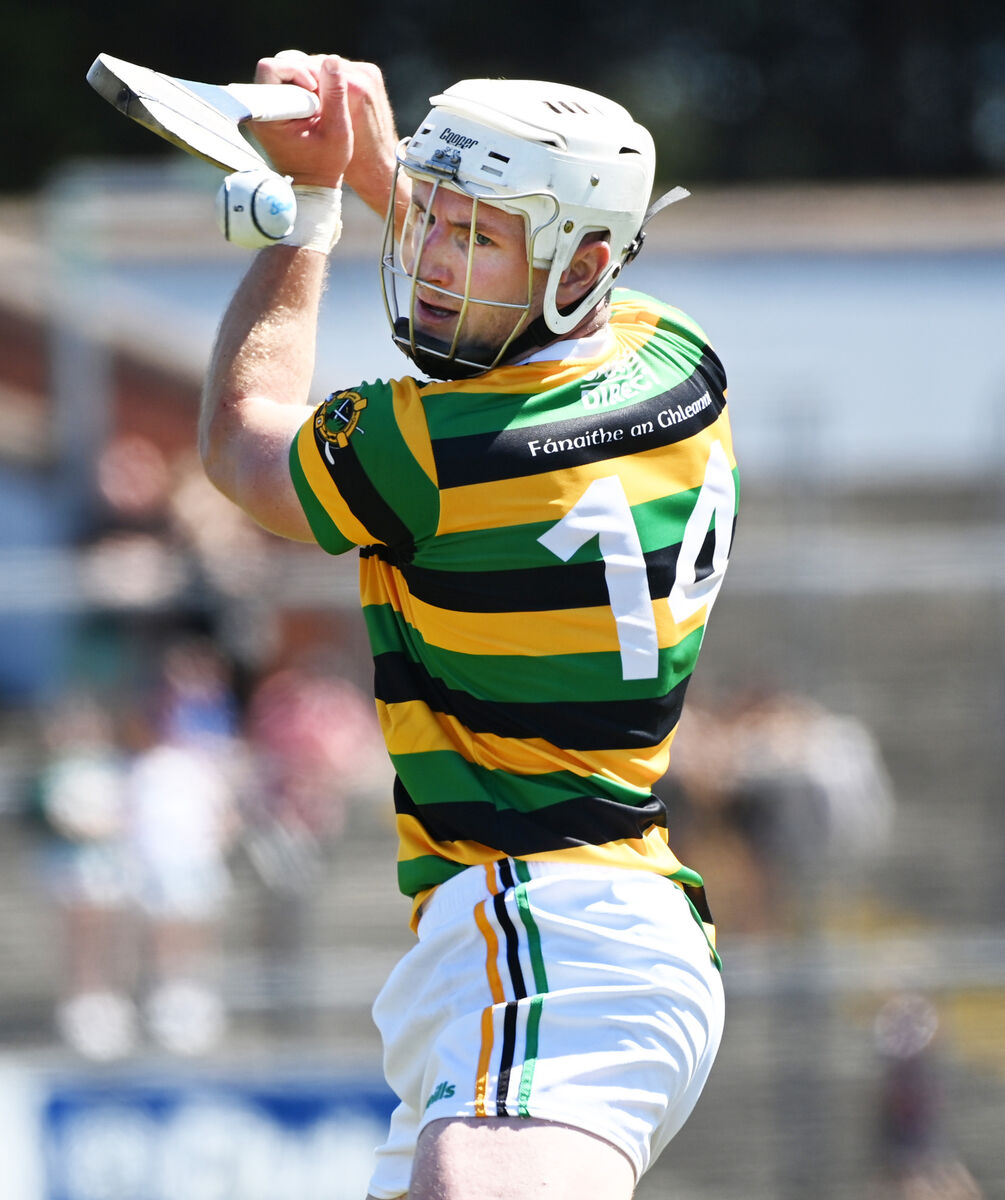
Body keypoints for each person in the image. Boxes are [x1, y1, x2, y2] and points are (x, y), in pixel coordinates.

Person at [199, 49, 739, 1200]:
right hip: (593, 926)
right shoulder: (677, 361)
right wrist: (382, 165)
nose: (435, 264)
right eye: (432, 219)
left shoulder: (434, 450)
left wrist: (309, 207)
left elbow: (244, 438)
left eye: (473, 238)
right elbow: (530, 299)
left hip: (552, 929)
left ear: (585, 260)